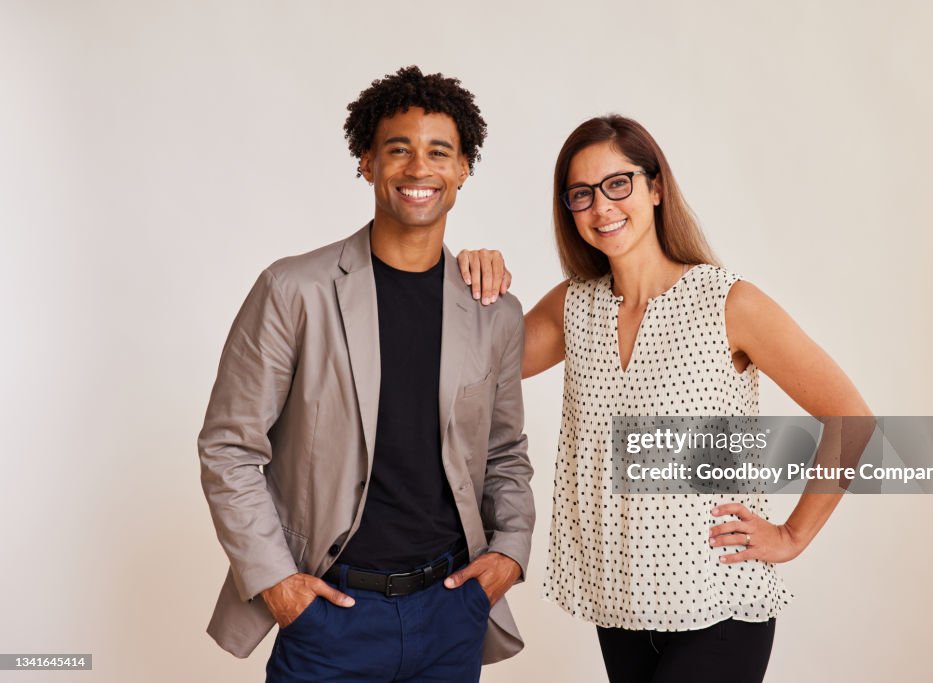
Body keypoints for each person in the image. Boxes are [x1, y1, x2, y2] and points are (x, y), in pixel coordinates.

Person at [458, 115, 872, 682]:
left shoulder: (728, 303)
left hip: (719, 603)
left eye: (618, 183)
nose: (602, 207)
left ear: (655, 188)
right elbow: (468, 365)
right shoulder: (573, 306)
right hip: (620, 602)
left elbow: (853, 420)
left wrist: (792, 535)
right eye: (581, 194)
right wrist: (465, 275)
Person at [198, 65, 535, 683]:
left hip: (451, 611)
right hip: (329, 616)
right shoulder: (293, 289)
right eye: (397, 149)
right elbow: (229, 447)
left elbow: (505, 451)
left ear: (463, 169)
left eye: (439, 152)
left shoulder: (494, 311)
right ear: (367, 162)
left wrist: (510, 553)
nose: (417, 169)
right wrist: (276, 581)